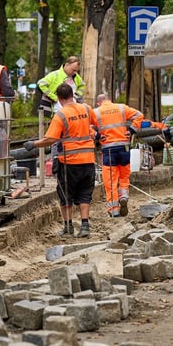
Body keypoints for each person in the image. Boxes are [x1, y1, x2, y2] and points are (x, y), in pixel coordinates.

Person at [24, 83, 99, 238]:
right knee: (85, 193)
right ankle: (85, 226)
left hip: (69, 162)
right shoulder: (86, 108)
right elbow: (96, 125)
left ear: (58, 98)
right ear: (72, 94)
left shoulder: (61, 115)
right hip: (88, 160)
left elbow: (51, 138)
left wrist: (34, 144)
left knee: (66, 194)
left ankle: (68, 227)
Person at [94, 93, 171, 217]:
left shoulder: (96, 112)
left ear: (99, 103)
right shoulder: (121, 108)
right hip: (124, 147)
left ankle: (114, 211)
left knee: (111, 180)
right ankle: (123, 196)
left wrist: (97, 136)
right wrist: (131, 130)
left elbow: (86, 126)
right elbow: (139, 115)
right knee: (124, 176)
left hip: (109, 150)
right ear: (110, 100)